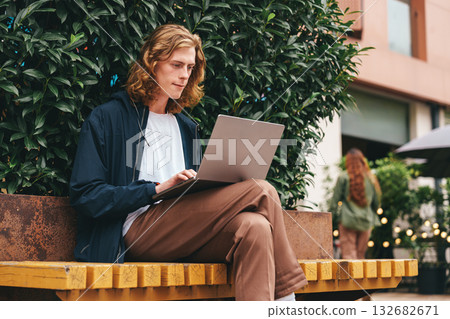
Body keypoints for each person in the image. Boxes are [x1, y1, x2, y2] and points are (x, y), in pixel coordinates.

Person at [69, 24, 307, 301]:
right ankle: (286, 296)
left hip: (183, 229)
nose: (184, 75)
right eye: (176, 65)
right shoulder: (109, 118)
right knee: (261, 189)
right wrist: (155, 190)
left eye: (190, 68)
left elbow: (196, 202)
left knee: (255, 227)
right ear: (152, 63)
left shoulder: (185, 126)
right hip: (136, 231)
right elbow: (86, 195)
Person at [329, 148, 381, 259]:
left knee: (349, 256)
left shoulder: (343, 177)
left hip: (347, 221)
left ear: (347, 161)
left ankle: (351, 277)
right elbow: (376, 203)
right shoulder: (370, 178)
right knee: (360, 255)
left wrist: (331, 220)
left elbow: (334, 202)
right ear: (362, 161)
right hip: (366, 221)